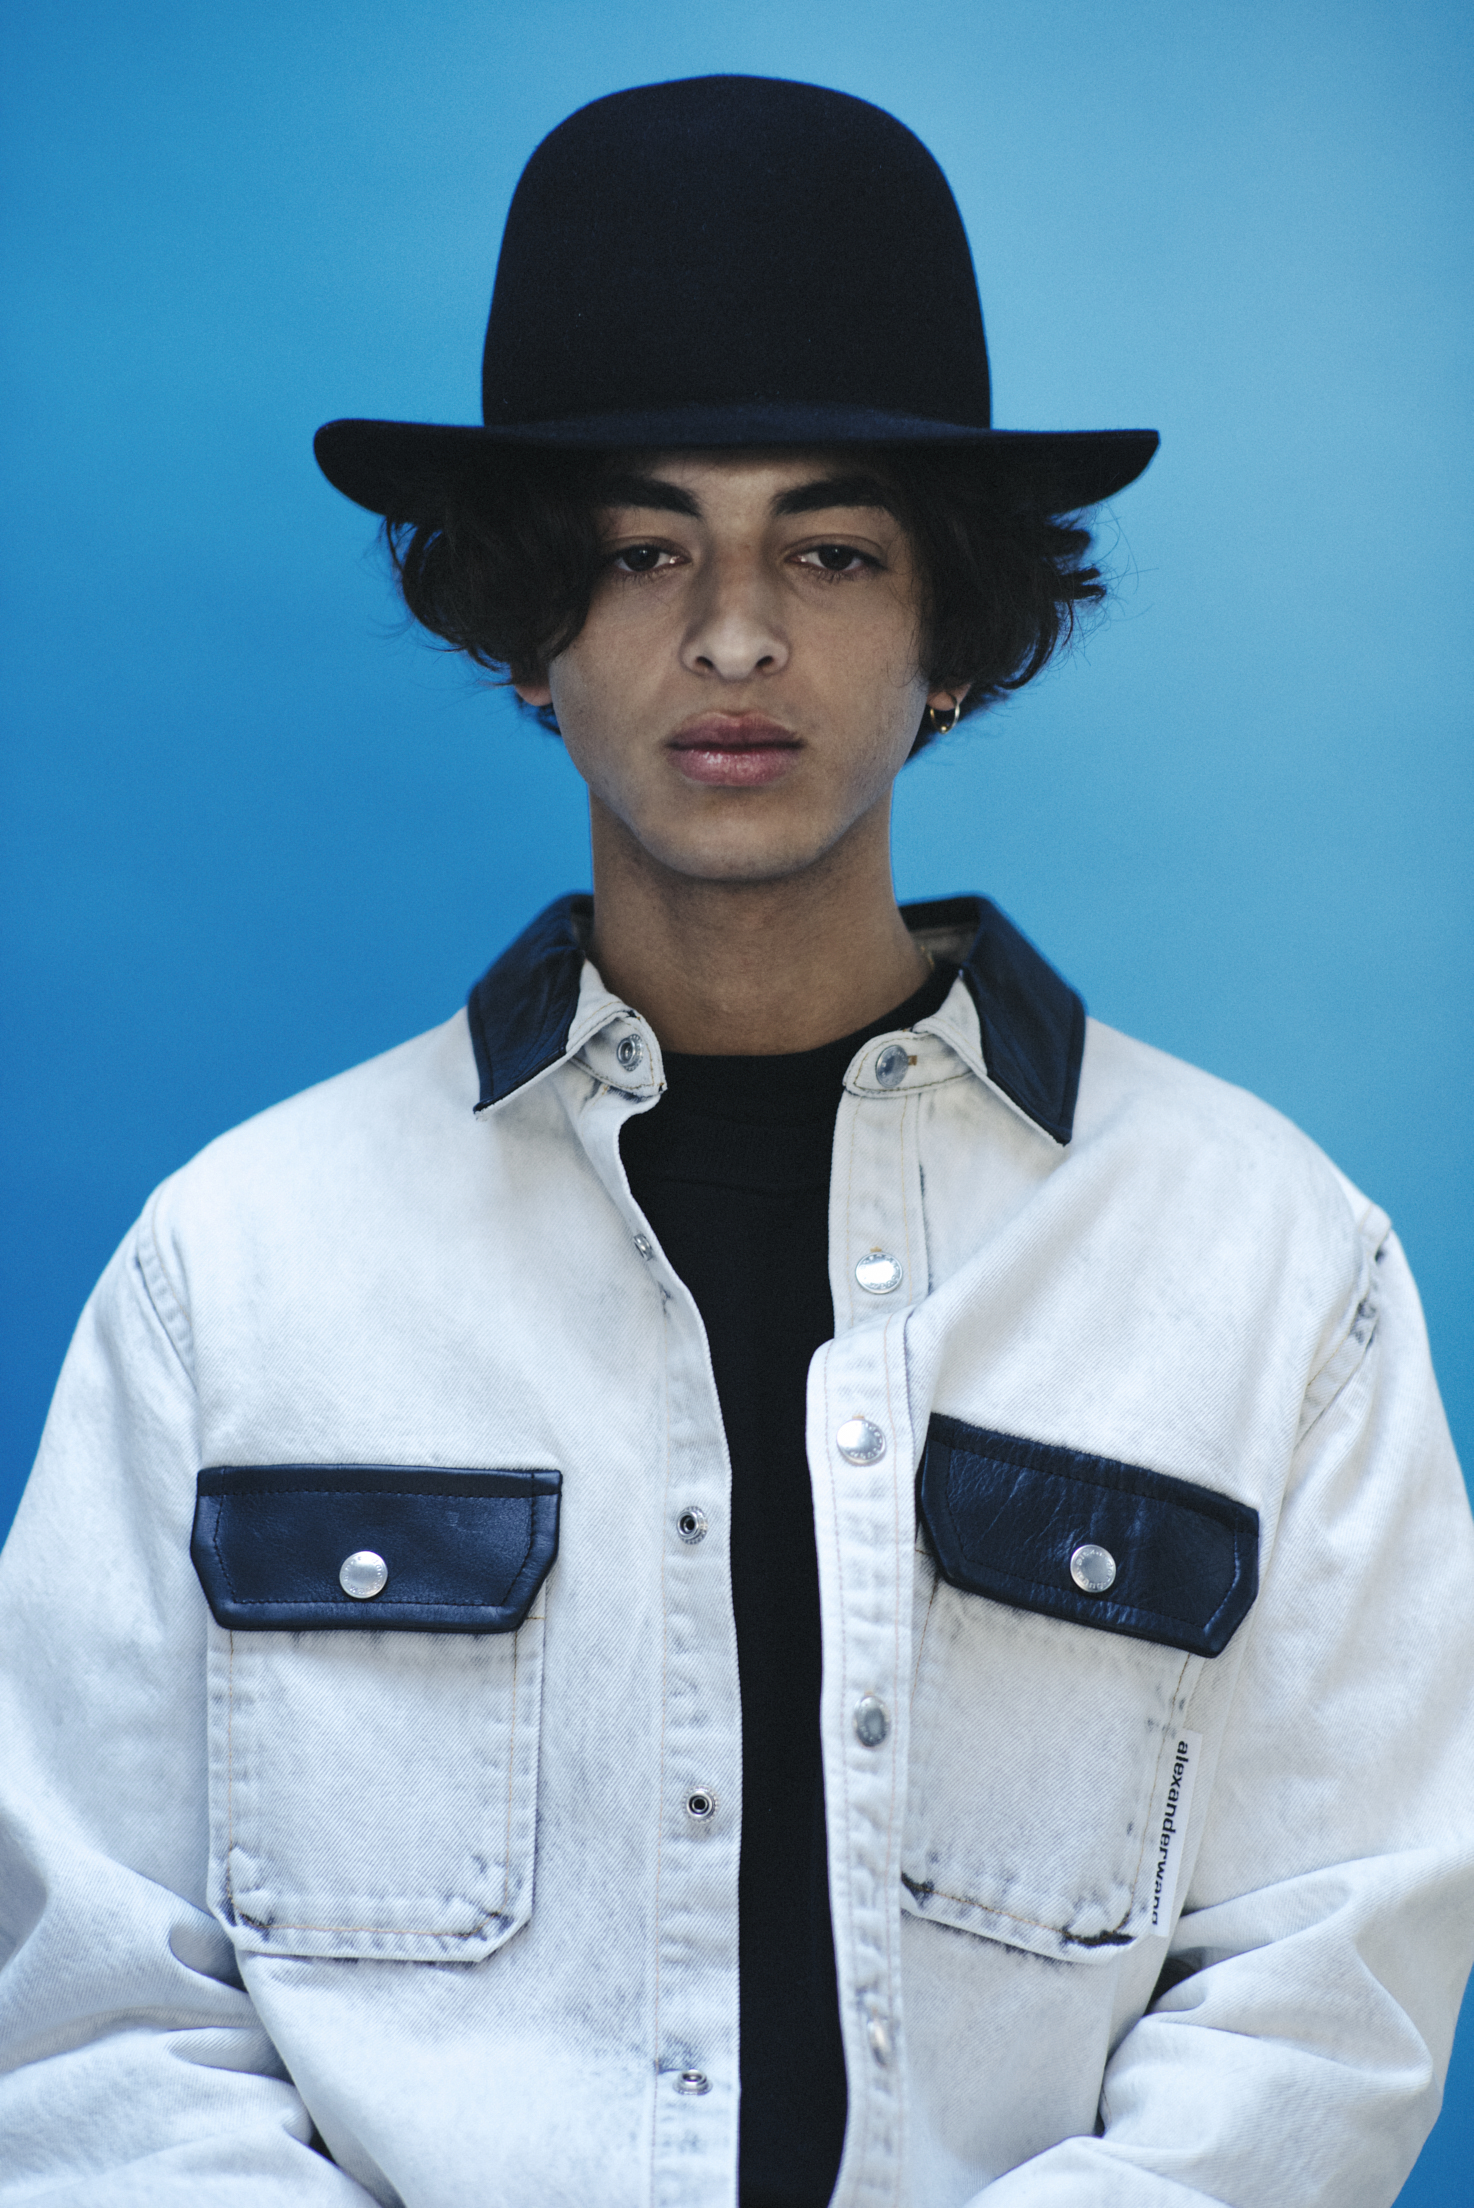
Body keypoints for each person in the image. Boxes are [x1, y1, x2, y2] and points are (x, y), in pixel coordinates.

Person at [0, 72, 1470, 2208]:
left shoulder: (1266, 1266)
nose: (735, 632)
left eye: (832, 549)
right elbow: (90, 2004)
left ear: (953, 631)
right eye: (640, 548)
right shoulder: (233, 1272)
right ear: (527, 630)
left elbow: (1324, 1985)